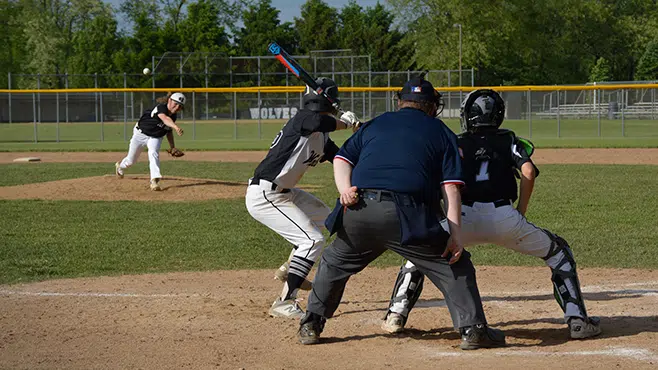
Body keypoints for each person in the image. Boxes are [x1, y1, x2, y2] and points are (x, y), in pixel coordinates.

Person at [297, 76, 506, 350]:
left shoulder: (377, 123)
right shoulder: (440, 131)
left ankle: (312, 323)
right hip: (408, 215)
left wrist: (345, 190)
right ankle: (473, 329)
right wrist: (456, 236)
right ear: (432, 106)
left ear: (400, 103)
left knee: (334, 262)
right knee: (455, 264)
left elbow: (341, 159)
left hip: (359, 210)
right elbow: (451, 190)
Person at [381, 89, 602, 340]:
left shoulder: (455, 141)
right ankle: (577, 321)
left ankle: (396, 315)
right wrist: (521, 211)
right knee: (559, 253)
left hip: (461, 220)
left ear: (467, 115)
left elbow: (438, 181)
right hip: (505, 217)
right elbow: (528, 172)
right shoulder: (509, 139)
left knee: (418, 254)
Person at [245, 77, 359, 319]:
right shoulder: (304, 118)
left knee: (325, 218)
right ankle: (284, 302)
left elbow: (341, 158)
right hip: (266, 195)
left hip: (285, 193)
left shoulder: (321, 135)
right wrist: (344, 123)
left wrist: (361, 131)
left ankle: (291, 269)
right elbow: (319, 120)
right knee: (312, 241)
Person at [115, 92, 186, 191]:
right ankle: (120, 166)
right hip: (140, 134)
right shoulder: (161, 108)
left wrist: (172, 146)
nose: (177, 107)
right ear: (169, 100)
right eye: (176, 103)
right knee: (131, 161)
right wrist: (175, 127)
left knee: (153, 153)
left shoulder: (173, 116)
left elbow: (168, 131)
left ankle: (154, 181)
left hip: (155, 137)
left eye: (180, 106)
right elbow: (165, 119)